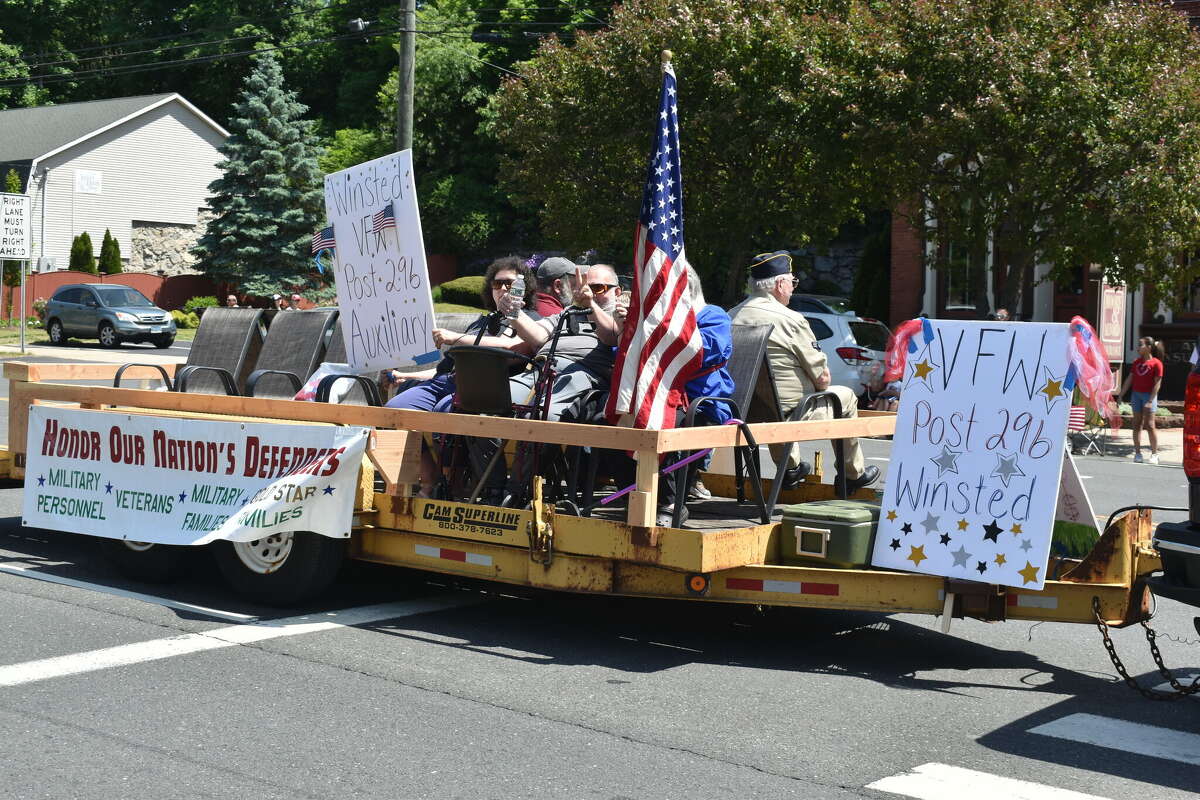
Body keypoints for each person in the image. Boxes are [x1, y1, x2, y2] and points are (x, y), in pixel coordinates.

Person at [385, 256, 540, 496]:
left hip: (484, 389)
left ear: (524, 288)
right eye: (497, 284)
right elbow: (445, 370)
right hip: (448, 382)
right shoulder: (483, 320)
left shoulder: (530, 320)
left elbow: (511, 347)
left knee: (444, 415)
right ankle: (429, 480)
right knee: (394, 412)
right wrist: (405, 376)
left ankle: (451, 486)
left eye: (509, 284)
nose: (502, 290)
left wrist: (454, 338)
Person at [729, 250, 880, 492]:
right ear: (779, 284)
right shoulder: (790, 319)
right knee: (846, 397)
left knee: (774, 403)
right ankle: (852, 475)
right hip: (790, 415)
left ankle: (789, 468)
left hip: (742, 412)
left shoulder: (731, 316)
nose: (793, 288)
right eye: (792, 282)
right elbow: (822, 380)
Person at [499, 263, 621, 422]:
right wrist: (513, 312)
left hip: (580, 373)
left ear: (617, 292)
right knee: (490, 403)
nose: (589, 293)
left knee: (541, 417)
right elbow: (538, 336)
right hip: (539, 369)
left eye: (598, 288)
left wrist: (590, 305)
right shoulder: (568, 312)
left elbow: (612, 336)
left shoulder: (621, 315)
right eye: (585, 287)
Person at [1118, 336, 1164, 464]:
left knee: (1150, 425)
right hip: (1136, 396)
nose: (1138, 347)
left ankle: (1154, 454)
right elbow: (1130, 379)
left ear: (1149, 348)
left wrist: (1150, 400)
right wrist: (1121, 394)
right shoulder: (1136, 362)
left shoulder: (1157, 363)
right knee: (1136, 424)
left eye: (1140, 345)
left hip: (1149, 396)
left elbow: (1157, 384)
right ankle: (1137, 453)